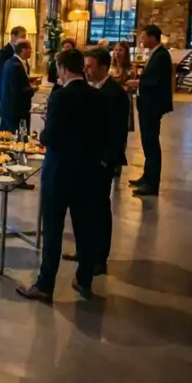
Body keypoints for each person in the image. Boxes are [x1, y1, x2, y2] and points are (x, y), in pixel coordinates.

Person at [17, 50, 103, 302]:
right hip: (87, 171)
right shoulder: (97, 97)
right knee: (83, 227)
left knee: (53, 229)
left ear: (64, 68)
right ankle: (84, 278)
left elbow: (50, 137)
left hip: (59, 172)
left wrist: (45, 127)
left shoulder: (61, 97)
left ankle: (45, 285)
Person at [63, 49, 130, 275]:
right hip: (86, 160)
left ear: (104, 67)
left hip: (101, 162)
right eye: (85, 66)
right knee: (84, 210)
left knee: (100, 210)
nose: (86, 71)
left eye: (90, 67)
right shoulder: (91, 90)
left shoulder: (116, 94)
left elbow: (118, 133)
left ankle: (99, 258)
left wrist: (105, 161)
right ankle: (85, 252)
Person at [126, 25, 173, 196]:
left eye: (144, 37)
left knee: (151, 143)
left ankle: (152, 184)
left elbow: (157, 82)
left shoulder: (161, 56)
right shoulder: (155, 54)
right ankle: (147, 176)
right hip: (148, 104)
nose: (141, 40)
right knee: (147, 142)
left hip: (153, 105)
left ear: (153, 38)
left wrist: (137, 83)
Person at [0, 39, 35, 134]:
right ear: (23, 50)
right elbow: (18, 91)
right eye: (30, 48)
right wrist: (33, 89)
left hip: (9, 109)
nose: (32, 51)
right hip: (16, 111)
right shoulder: (16, 66)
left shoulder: (10, 62)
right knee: (17, 139)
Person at [110, 41, 136, 135]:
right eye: (115, 50)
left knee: (121, 128)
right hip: (109, 100)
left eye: (120, 50)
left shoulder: (130, 69)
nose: (117, 53)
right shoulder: (109, 67)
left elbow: (130, 87)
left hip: (123, 100)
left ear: (126, 52)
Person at [0, 25, 28, 103]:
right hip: (8, 90)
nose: (24, 40)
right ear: (13, 36)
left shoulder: (21, 51)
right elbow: (1, 72)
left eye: (25, 37)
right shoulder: (4, 52)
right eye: (22, 37)